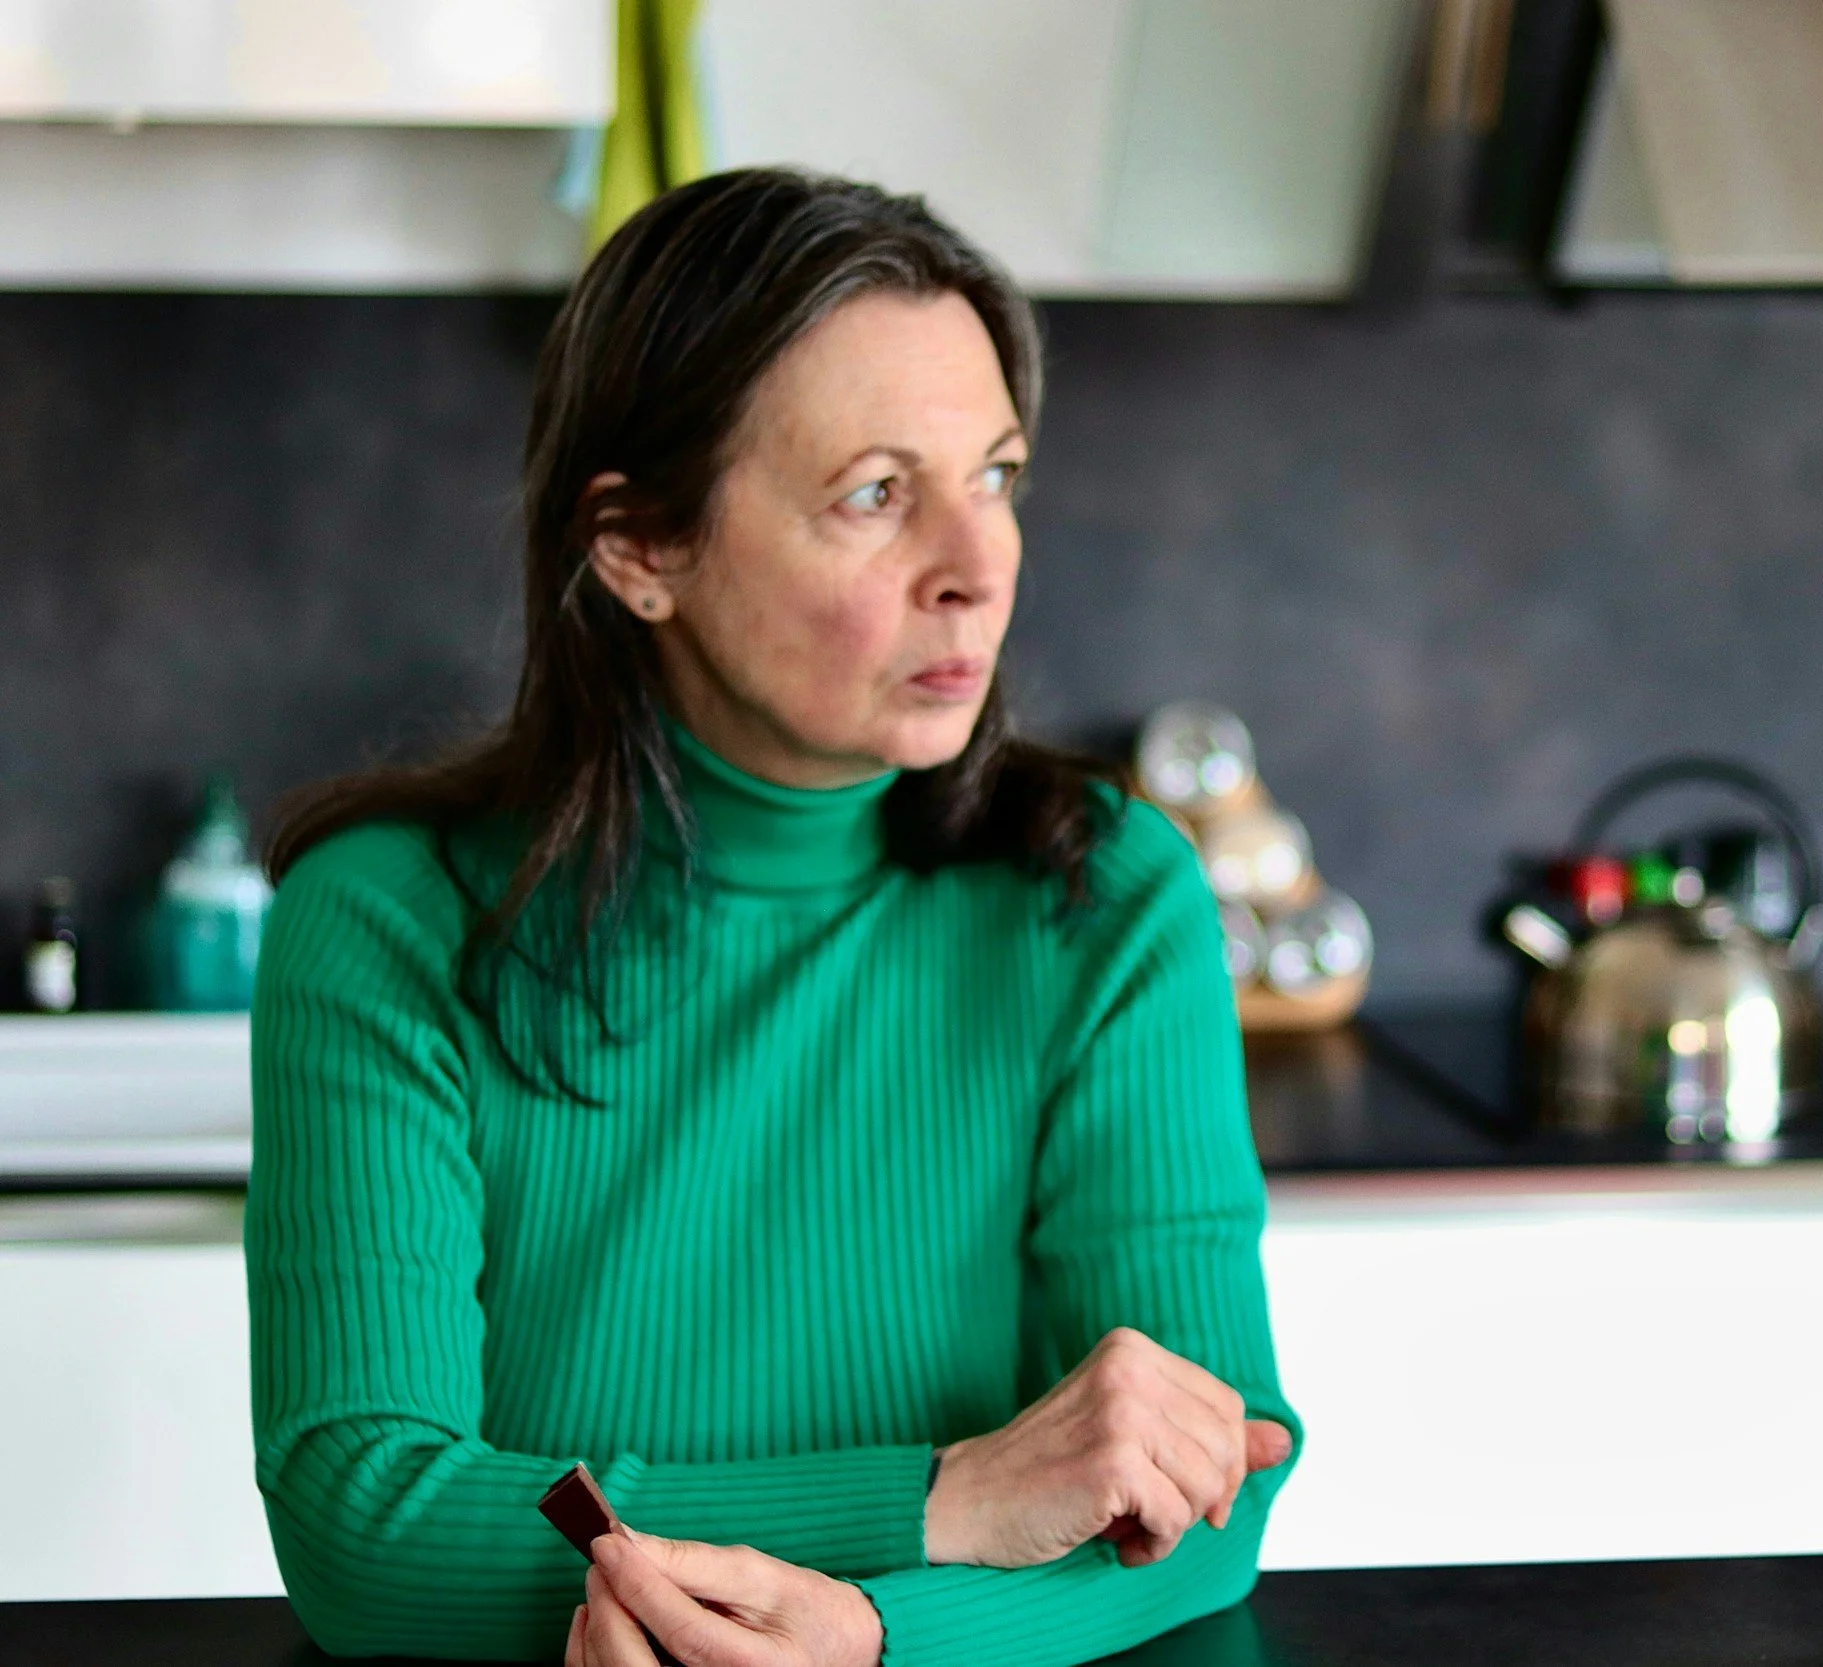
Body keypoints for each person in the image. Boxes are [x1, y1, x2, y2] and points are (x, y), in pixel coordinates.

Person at [245, 168, 1298, 1667]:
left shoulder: (1104, 895)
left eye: (994, 474)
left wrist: (876, 1637)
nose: (977, 567)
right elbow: (367, 1523)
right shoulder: (386, 922)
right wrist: (947, 1497)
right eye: (876, 494)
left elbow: (1216, 1489)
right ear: (638, 548)